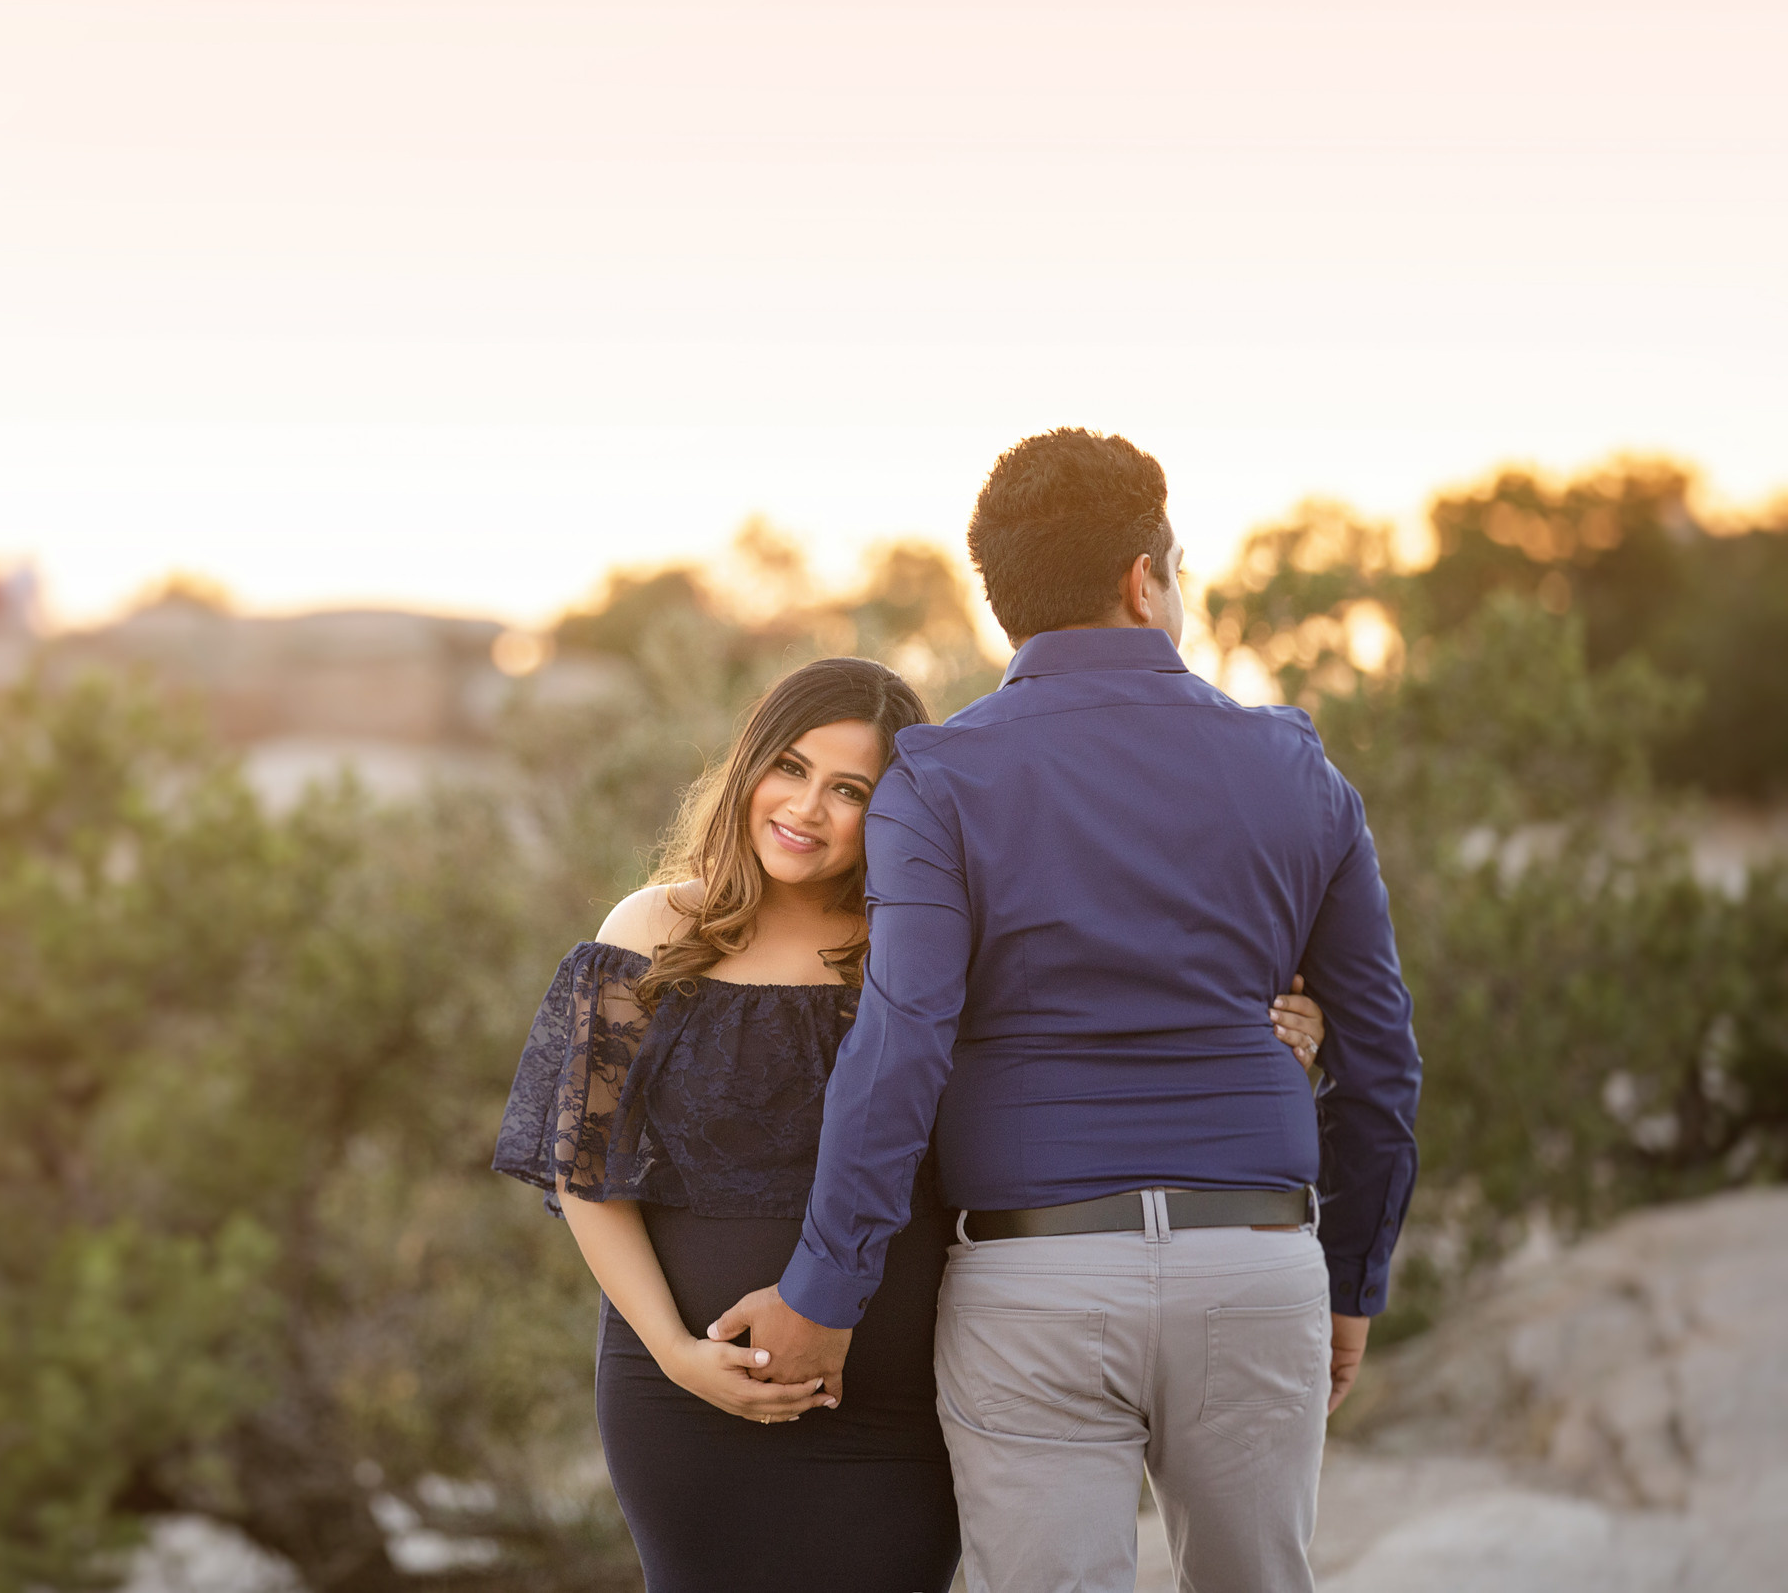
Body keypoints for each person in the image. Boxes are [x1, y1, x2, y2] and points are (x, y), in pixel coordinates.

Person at [715, 430, 1422, 1593]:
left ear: (1006, 606)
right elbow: (1381, 1062)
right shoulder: (1298, 770)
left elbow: (900, 1048)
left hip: (1036, 1280)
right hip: (1254, 1265)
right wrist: (1351, 1281)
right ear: (1146, 580)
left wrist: (823, 1291)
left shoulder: (937, 781)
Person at [493, 655, 1333, 1593]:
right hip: (683, 1396)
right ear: (749, 767)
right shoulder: (652, 929)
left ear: (889, 813)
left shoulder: (923, 944)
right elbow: (585, 1168)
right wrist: (676, 1354)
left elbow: (1090, 1040)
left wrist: (1268, 1034)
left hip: (897, 1405)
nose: (807, 808)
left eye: (848, 789)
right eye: (791, 767)